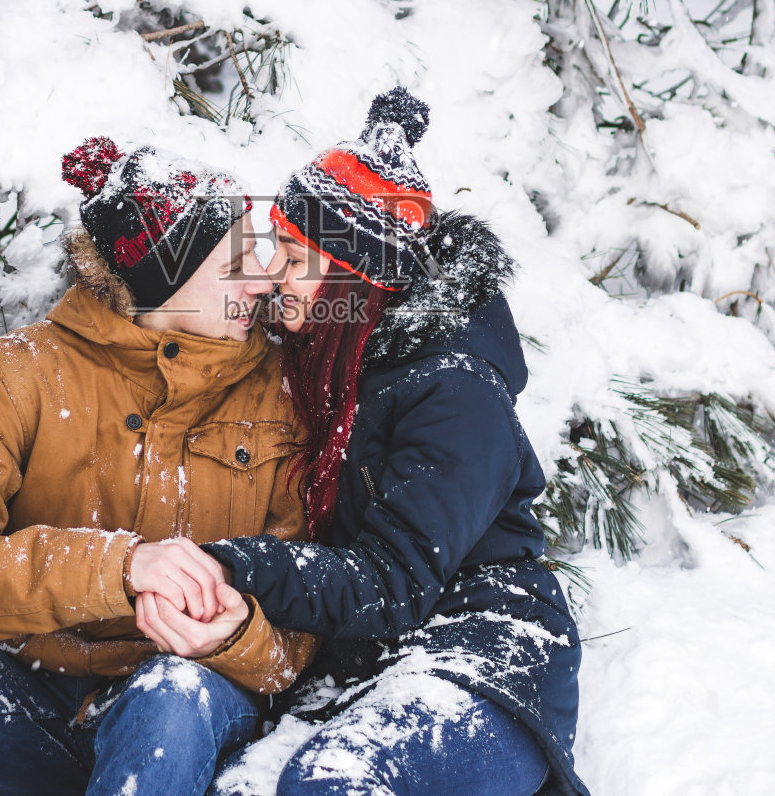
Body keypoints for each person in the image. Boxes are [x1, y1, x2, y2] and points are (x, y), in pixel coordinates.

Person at [0, 137, 318, 796]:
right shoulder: (20, 372)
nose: (261, 280)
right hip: (27, 701)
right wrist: (116, 567)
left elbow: (302, 627)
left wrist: (237, 635)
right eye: (235, 260)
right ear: (167, 279)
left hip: (185, 712)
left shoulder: (282, 392)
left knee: (169, 696)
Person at [147, 87, 591, 796]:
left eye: (294, 256)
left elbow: (391, 581)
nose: (270, 274)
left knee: (334, 782)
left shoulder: (456, 390)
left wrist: (234, 567)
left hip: (481, 656)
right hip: (357, 668)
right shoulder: (327, 361)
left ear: (352, 271)